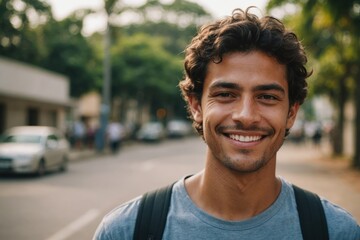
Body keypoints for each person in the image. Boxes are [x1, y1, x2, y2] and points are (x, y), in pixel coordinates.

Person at [93, 8, 360, 239]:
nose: (246, 115)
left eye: (267, 97)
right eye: (226, 95)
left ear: (291, 112)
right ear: (196, 105)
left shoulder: (335, 232)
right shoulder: (126, 231)